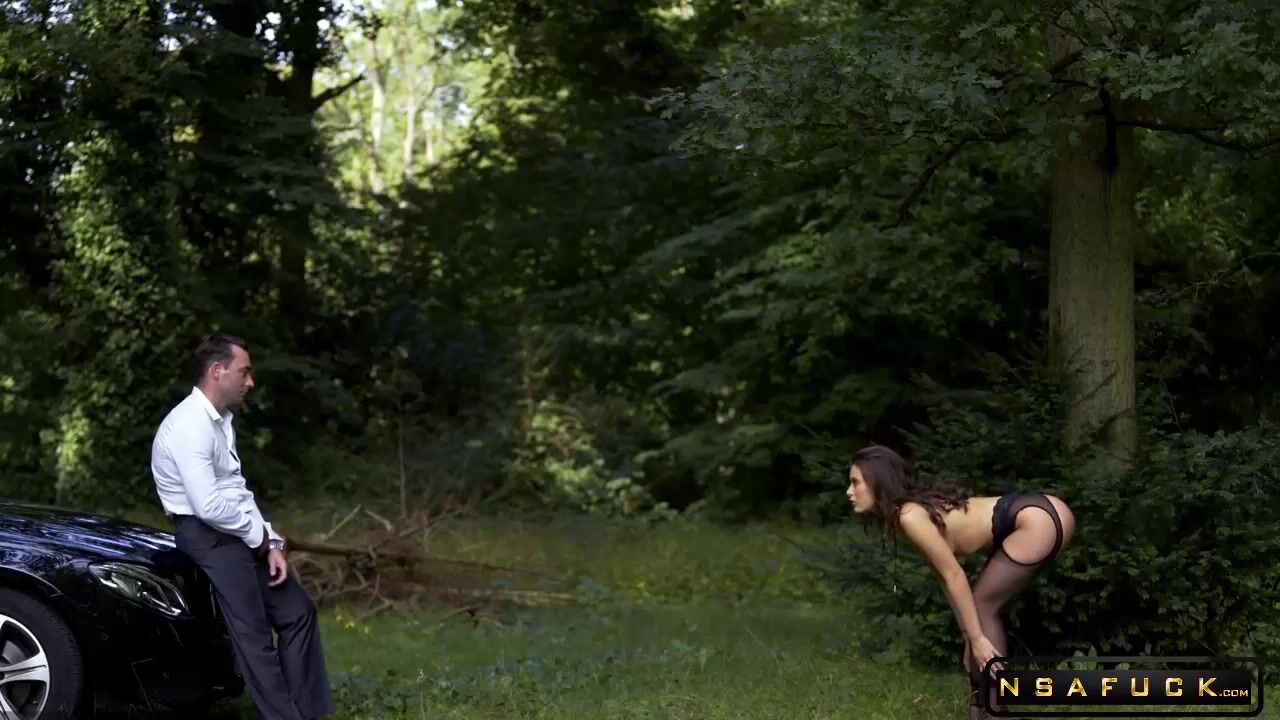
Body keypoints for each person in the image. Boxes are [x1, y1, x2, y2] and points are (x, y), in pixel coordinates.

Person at [151, 333, 333, 720]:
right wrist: (260, 539)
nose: (250, 382)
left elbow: (234, 490)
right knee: (253, 633)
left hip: (233, 529)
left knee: (297, 612)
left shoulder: (220, 422)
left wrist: (272, 541)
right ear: (217, 371)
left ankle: (307, 712)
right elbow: (207, 506)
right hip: (205, 535)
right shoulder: (189, 425)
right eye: (244, 372)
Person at [845, 445, 1075, 720]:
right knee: (980, 610)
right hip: (1041, 511)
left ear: (877, 481)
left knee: (982, 606)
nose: (849, 491)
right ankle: (982, 709)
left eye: (855, 482)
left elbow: (954, 575)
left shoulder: (909, 516)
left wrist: (978, 638)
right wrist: (969, 634)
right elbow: (945, 577)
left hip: (1036, 519)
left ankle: (994, 711)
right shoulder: (908, 513)